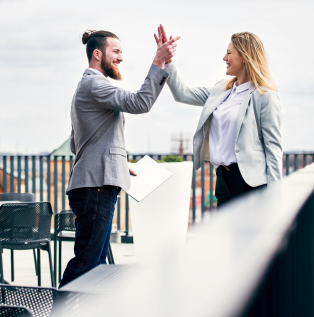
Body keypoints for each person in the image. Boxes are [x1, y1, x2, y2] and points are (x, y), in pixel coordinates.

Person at [59, 28, 179, 287]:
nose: (121, 58)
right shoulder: (95, 84)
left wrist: (116, 160)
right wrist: (158, 62)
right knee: (87, 264)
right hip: (95, 186)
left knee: (95, 265)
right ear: (97, 54)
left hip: (94, 185)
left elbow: (75, 143)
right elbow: (140, 103)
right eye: (116, 51)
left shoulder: (86, 86)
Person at [160, 26, 282, 207]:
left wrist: (275, 196)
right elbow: (183, 94)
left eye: (229, 53)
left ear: (244, 56)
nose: (224, 58)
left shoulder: (264, 96)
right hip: (223, 180)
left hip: (250, 182)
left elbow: (272, 146)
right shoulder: (221, 90)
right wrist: (168, 61)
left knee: (248, 235)